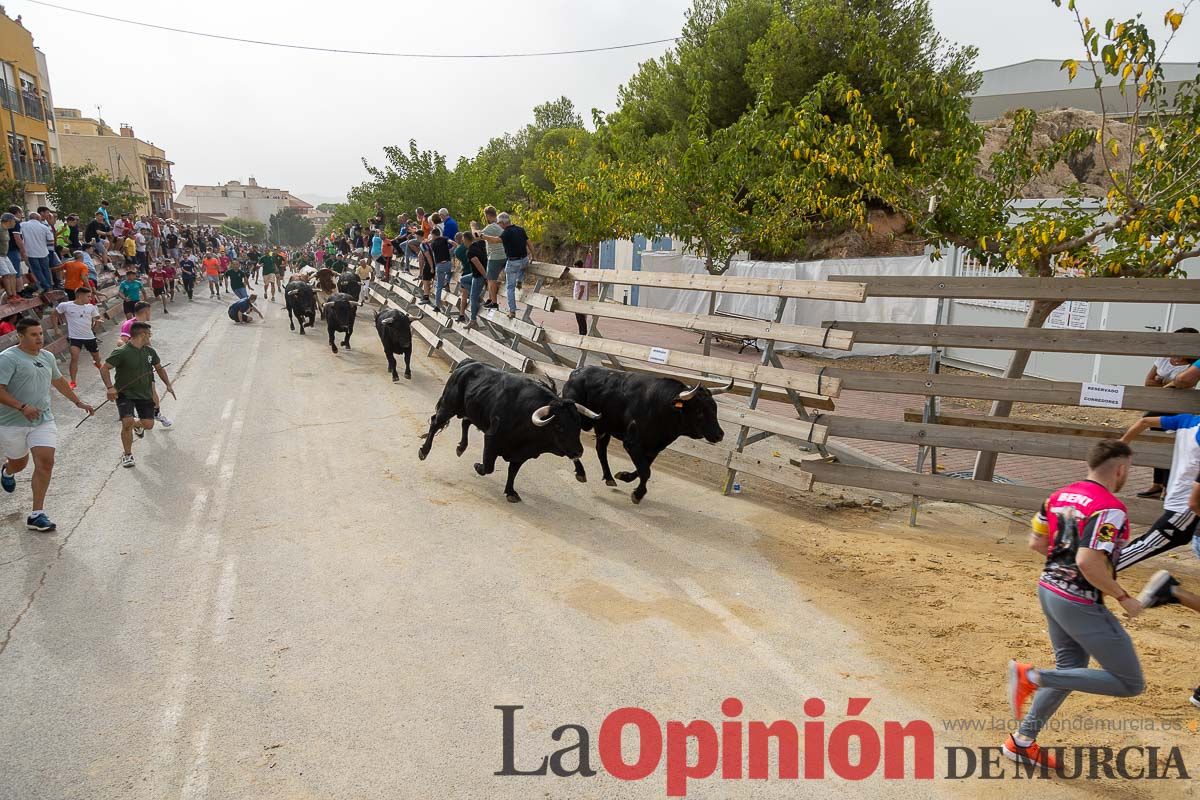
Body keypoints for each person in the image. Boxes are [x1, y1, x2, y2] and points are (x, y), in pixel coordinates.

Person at [1006, 440, 1145, 769]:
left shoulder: (1058, 495)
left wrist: (1062, 567)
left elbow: (1037, 542)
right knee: (1130, 683)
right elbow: (1088, 562)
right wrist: (1122, 596)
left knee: (1071, 669)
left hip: (1049, 589)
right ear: (1121, 469)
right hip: (1078, 600)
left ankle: (1022, 742)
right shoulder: (1110, 508)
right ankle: (1033, 676)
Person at [0, 317, 94, 530]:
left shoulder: (47, 356)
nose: (39, 338)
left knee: (45, 462)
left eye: (40, 333)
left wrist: (78, 402)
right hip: (12, 422)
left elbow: (58, 381)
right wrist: (22, 407)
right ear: (20, 336)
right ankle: (7, 471)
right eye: (33, 335)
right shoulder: (7, 359)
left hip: (42, 419)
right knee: (19, 464)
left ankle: (37, 514)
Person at [1134, 328, 1200, 498]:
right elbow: (1148, 382)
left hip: (1178, 410)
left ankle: (1167, 487)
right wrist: (1168, 384)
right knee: (1157, 443)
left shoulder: (1194, 364)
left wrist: (1163, 382)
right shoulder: (1164, 357)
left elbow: (1184, 384)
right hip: (1158, 405)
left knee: (1171, 447)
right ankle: (1156, 484)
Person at [100, 321, 174, 469]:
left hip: (144, 393)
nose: (150, 337)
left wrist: (168, 384)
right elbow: (104, 368)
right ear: (142, 335)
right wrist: (110, 388)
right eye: (149, 334)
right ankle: (127, 455)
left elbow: (159, 368)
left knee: (149, 424)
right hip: (124, 393)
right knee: (126, 422)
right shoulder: (121, 352)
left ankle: (138, 425)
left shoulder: (150, 352)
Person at [52, 286, 102, 388]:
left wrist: (98, 323)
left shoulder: (91, 307)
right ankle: (73, 381)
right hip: (74, 337)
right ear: (80, 295)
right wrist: (56, 329)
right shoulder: (65, 305)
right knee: (74, 357)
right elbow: (54, 315)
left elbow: (98, 318)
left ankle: (97, 363)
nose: (90, 298)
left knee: (97, 357)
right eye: (88, 296)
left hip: (89, 336)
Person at [472, 206, 507, 310]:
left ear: (487, 215)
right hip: (503, 255)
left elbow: (477, 235)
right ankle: (491, 298)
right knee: (491, 278)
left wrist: (473, 227)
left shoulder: (491, 226)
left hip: (495, 257)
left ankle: (494, 302)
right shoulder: (499, 225)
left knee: (490, 279)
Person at [498, 212, 530, 318]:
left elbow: (496, 240)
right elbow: (529, 243)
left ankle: (512, 311)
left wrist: (484, 237)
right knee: (522, 266)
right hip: (524, 260)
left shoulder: (506, 232)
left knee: (510, 288)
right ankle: (520, 280)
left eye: (499, 223)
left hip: (513, 262)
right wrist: (534, 256)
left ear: (503, 223)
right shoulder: (520, 229)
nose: (498, 225)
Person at [19, 211, 53, 291]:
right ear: (39, 218)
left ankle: (45, 286)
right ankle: (48, 286)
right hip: (43, 252)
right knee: (46, 269)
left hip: (30, 252)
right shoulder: (44, 227)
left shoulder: (22, 225)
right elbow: (51, 240)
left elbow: (20, 237)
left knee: (36, 270)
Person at [429, 224, 453, 311]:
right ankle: (447, 281)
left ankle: (437, 306)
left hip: (439, 265)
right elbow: (453, 243)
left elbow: (433, 254)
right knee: (450, 272)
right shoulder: (445, 239)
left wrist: (430, 240)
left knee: (438, 286)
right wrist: (451, 251)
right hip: (447, 263)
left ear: (434, 235)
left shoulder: (433, 244)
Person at [0, 212, 18, 302]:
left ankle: (14, 295)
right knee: (6, 274)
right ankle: (10, 296)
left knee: (13, 273)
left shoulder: (6, 229)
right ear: (9, 221)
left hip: (4, 255)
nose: (15, 223)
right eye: (14, 221)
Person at [572, 259, 590, 335]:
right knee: (578, 318)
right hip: (577, 300)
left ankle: (583, 333)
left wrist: (578, 300)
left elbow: (582, 290)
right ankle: (581, 332)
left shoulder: (582, 276)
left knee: (581, 318)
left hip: (580, 300)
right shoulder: (578, 276)